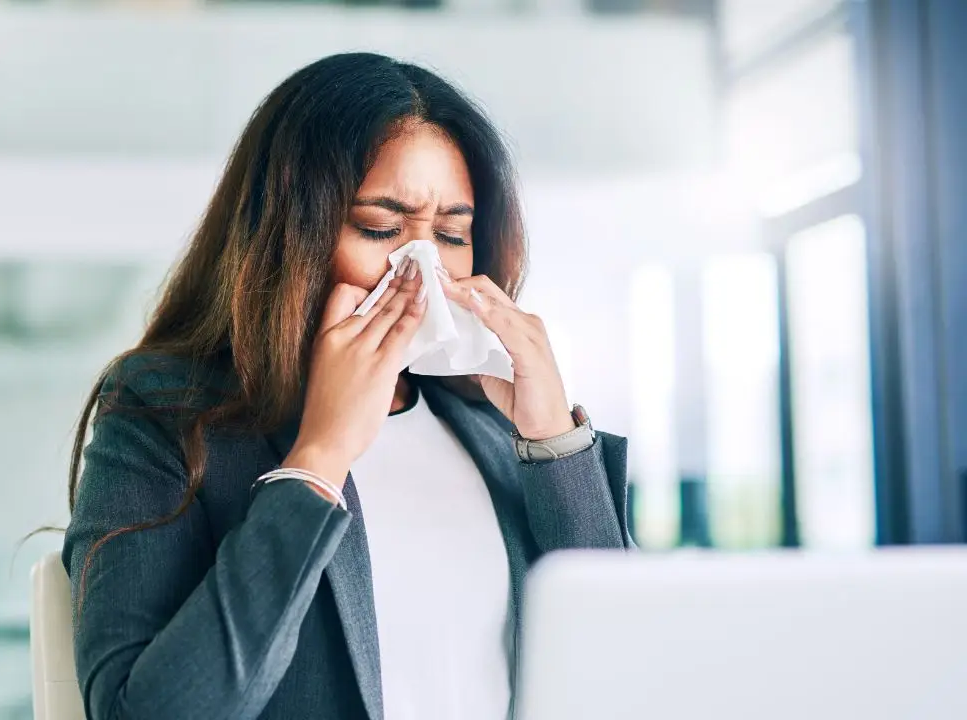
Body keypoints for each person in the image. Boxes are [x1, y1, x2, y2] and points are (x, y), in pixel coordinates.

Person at [63, 52, 632, 720]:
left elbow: (624, 676)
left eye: (451, 234)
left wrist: (555, 441)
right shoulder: (164, 411)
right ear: (285, 234)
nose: (421, 271)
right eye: (380, 228)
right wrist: (320, 458)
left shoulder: (488, 429)